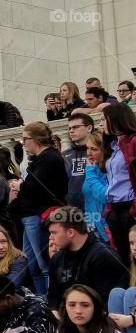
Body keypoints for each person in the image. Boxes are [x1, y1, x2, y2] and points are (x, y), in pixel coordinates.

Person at [11, 123, 69, 296]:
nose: (23, 143)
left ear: (36, 139)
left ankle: (50, 302)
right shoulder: (40, 159)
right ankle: (40, 300)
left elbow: (40, 187)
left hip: (38, 215)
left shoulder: (49, 158)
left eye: (25, 139)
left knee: (44, 264)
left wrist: (21, 185)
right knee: (32, 265)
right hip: (28, 215)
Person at [47, 205, 129, 310]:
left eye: (54, 233)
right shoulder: (57, 259)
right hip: (65, 321)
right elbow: (53, 296)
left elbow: (107, 302)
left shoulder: (103, 256)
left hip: (99, 321)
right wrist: (55, 313)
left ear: (71, 232)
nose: (50, 238)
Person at [102, 103, 136, 268]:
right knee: (123, 257)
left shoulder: (133, 142)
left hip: (130, 206)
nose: (101, 123)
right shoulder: (113, 146)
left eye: (104, 119)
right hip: (115, 207)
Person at [64, 112, 95, 210]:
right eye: (69, 128)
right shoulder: (64, 155)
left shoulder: (99, 150)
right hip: (72, 209)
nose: (71, 131)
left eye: (75, 127)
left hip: (96, 206)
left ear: (89, 128)